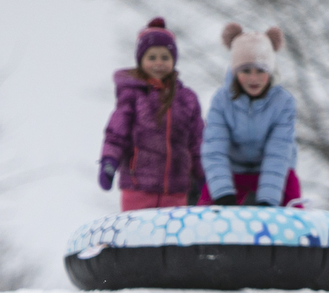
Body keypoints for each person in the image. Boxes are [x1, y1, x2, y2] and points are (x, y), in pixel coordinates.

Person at [99, 17, 205, 210]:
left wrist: (202, 174)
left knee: (171, 238)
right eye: (152, 57)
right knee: (137, 237)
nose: (158, 63)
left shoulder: (187, 99)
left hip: (176, 190)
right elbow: (117, 132)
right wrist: (109, 161)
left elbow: (197, 141)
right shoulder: (132, 95)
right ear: (141, 61)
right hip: (138, 187)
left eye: (165, 57)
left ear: (173, 60)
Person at [199, 23, 300, 207]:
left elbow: (278, 153)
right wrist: (223, 194)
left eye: (260, 70)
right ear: (236, 72)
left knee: (291, 195)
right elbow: (214, 149)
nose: (254, 78)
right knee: (208, 204)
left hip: (275, 172)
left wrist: (268, 200)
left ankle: (296, 231)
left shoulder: (284, 103)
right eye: (246, 71)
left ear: (269, 71)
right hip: (232, 170)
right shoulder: (221, 101)